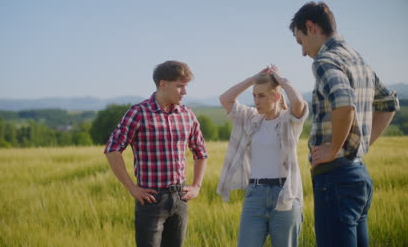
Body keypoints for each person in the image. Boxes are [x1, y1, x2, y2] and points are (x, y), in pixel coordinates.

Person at [289, 1, 399, 247]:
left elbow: (344, 102)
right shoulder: (357, 59)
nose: (303, 52)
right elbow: (389, 103)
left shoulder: (325, 60)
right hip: (358, 174)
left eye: (301, 41)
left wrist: (334, 148)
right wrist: (360, 144)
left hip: (335, 178)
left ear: (311, 27)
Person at [104, 60, 208, 247]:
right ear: (163, 84)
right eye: (180, 86)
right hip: (151, 201)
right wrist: (131, 187)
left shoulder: (187, 115)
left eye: (186, 87)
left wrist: (197, 186)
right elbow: (112, 149)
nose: (185, 92)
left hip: (180, 198)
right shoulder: (138, 113)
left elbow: (201, 152)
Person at [217, 64, 308, 247]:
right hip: (255, 195)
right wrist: (254, 78)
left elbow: (298, 102)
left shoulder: (289, 121)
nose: (256, 101)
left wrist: (280, 79)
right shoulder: (251, 118)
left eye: (261, 95)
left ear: (276, 96)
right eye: (254, 96)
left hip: (285, 195)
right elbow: (225, 99)